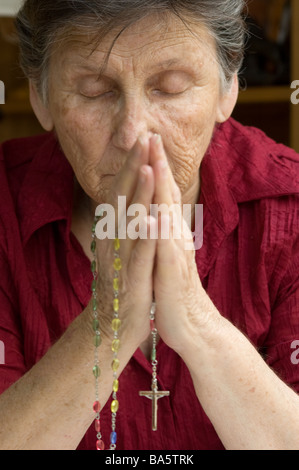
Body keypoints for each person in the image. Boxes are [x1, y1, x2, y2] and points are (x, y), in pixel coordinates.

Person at [0, 0, 298, 451]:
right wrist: (106, 322)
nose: (134, 133)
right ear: (41, 98)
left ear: (227, 89)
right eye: (95, 90)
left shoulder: (290, 203)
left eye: (172, 87)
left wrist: (198, 326)